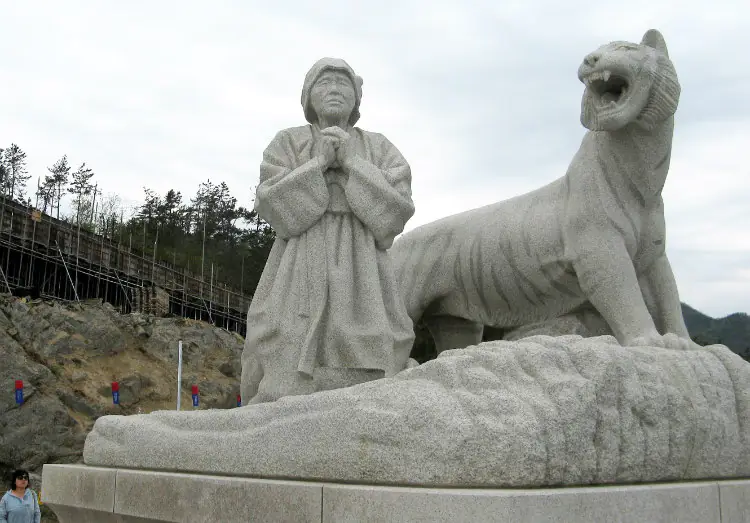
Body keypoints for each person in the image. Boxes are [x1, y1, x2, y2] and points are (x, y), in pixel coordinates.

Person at [241, 57, 416, 403]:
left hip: (363, 264)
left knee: (375, 345)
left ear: (356, 99)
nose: (334, 89)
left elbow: (396, 213)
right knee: (283, 336)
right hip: (300, 261)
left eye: (343, 83)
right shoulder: (287, 143)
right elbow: (272, 206)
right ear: (307, 97)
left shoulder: (379, 148)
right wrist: (318, 163)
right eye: (324, 82)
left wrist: (351, 162)